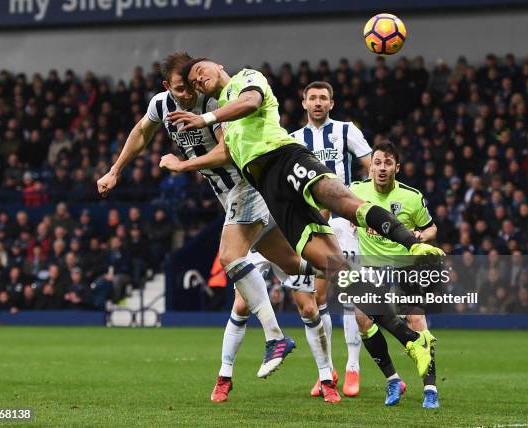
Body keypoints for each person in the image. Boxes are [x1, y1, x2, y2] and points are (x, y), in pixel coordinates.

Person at [169, 58, 442, 391]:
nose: (198, 80)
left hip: (285, 158)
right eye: (194, 80)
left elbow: (251, 102)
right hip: (268, 189)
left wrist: (205, 117)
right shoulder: (224, 117)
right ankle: (412, 341)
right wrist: (187, 165)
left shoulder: (246, 79)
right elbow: (227, 154)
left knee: (343, 201)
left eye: (201, 72)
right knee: (336, 270)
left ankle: (414, 244)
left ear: (219, 67)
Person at [97, 52, 320, 383]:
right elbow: (141, 132)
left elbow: (226, 151)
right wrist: (115, 170)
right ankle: (344, 268)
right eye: (180, 88)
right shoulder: (162, 105)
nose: (187, 94)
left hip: (245, 184)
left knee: (230, 257)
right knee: (291, 263)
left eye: (190, 86)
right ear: (166, 86)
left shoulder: (212, 104)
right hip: (228, 194)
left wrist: (182, 164)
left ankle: (275, 337)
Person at [288, 81, 372, 397]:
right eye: (313, 98)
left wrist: (359, 213)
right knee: (317, 299)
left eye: (324, 98)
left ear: (332, 103)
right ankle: (328, 371)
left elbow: (370, 167)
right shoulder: (294, 140)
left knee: (351, 295)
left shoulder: (347, 131)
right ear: (304, 103)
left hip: (344, 223)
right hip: (312, 226)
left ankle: (353, 368)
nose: (318, 102)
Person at [349, 141, 441, 409]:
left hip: (405, 266)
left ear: (396, 168)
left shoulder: (412, 197)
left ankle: (431, 388)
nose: (381, 168)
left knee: (416, 320)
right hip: (371, 267)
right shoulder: (356, 191)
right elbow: (340, 211)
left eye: (388, 163)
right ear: (370, 166)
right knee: (362, 319)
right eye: (377, 162)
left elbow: (432, 228)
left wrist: (422, 236)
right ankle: (392, 380)